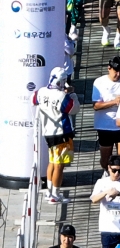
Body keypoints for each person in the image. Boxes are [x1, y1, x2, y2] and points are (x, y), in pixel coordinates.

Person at [34, 66, 80, 205]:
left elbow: (33, 100)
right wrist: (72, 94)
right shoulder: (62, 96)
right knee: (59, 165)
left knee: (52, 162)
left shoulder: (40, 92)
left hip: (47, 132)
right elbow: (74, 109)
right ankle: (55, 194)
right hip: (62, 133)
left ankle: (50, 192)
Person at [92, 57, 120, 171]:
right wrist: (114, 101)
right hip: (104, 126)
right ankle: (107, 172)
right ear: (109, 68)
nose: (118, 74)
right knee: (105, 159)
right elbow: (96, 106)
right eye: (116, 71)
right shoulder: (99, 82)